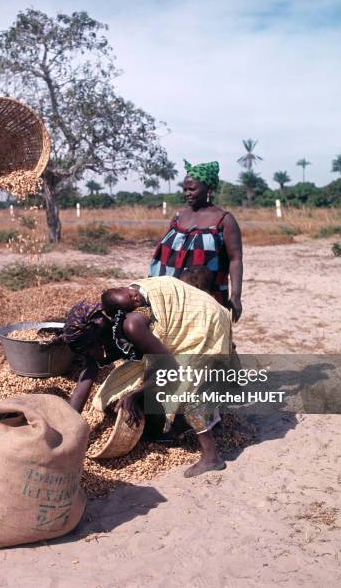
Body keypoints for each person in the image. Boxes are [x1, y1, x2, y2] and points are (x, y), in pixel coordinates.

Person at [64, 276, 232, 477]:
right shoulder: (104, 321)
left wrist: (135, 394)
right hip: (175, 314)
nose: (90, 358)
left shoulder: (132, 325)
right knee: (142, 371)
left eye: (90, 352)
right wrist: (66, 429)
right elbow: (86, 377)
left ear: (99, 341)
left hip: (201, 318)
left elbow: (171, 370)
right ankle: (190, 422)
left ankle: (211, 457)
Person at [149, 160, 243, 322]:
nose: (187, 193)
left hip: (205, 294)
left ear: (209, 189)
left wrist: (236, 295)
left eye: (192, 189)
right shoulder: (179, 217)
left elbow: (235, 259)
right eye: (185, 189)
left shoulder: (223, 220)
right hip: (169, 293)